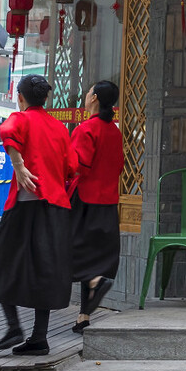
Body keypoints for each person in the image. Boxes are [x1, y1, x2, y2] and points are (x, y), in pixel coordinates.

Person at [0, 75, 77, 356]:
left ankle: (14, 326)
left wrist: (19, 164)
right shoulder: (60, 128)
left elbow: (8, 131)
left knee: (2, 262)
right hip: (56, 209)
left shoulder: (20, 118)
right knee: (46, 270)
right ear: (45, 98)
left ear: (20, 97)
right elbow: (72, 168)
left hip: (25, 206)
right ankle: (39, 337)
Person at [69, 80, 124, 333]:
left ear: (95, 99)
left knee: (76, 252)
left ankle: (94, 282)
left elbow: (78, 165)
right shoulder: (115, 131)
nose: (86, 94)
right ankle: (84, 316)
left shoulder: (85, 129)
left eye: (89, 91)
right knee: (98, 256)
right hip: (108, 201)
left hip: (85, 198)